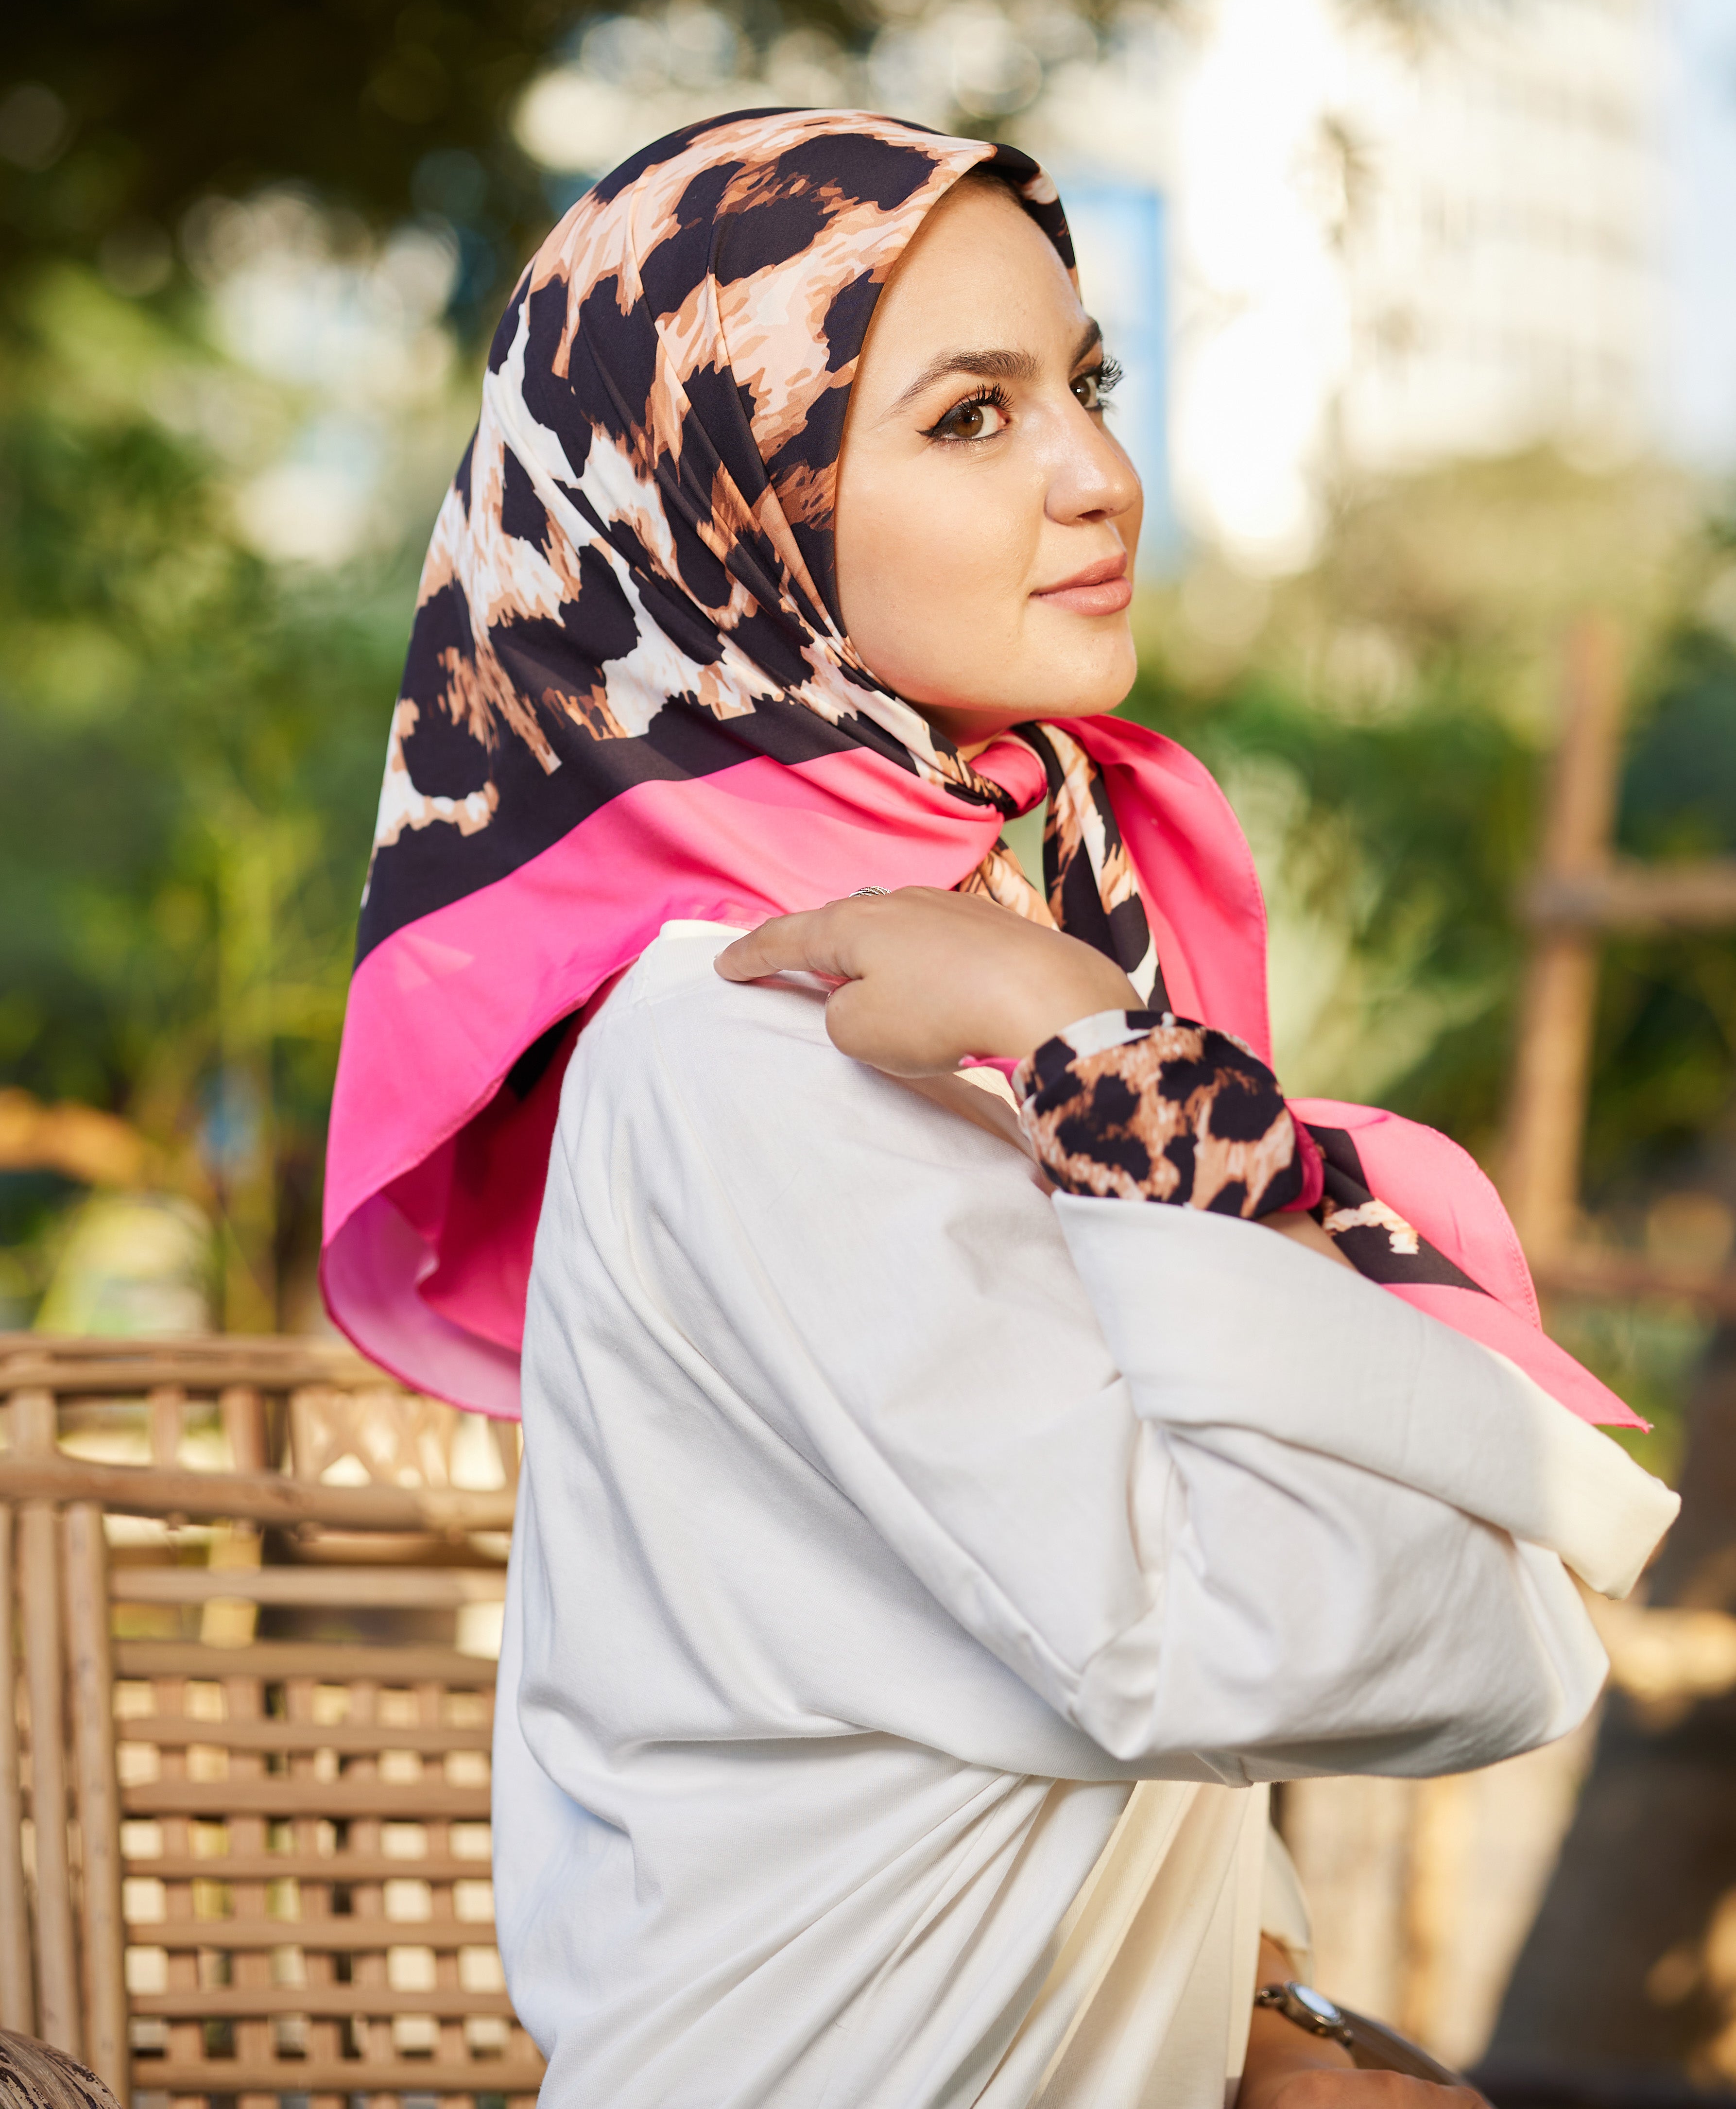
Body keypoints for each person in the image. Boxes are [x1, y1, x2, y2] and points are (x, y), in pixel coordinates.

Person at [321, 109, 1677, 2109]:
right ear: (723, 515)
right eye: (972, 415)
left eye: (1088, 386)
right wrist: (1102, 1056)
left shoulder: (982, 949)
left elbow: (1148, 1649)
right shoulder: (764, 1042)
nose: (1099, 476)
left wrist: (1278, 2008)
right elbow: (1384, 1639)